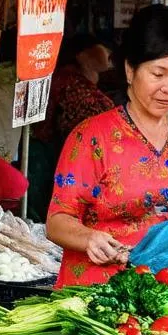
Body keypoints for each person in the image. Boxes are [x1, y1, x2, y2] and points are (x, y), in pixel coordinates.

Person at [46, 4, 168, 287]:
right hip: (102, 295)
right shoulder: (92, 136)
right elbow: (57, 221)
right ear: (130, 70)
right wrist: (89, 238)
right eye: (158, 74)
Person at [27, 35, 114, 221]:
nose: (108, 55)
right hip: (54, 154)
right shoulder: (71, 82)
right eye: (104, 49)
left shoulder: (81, 80)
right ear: (83, 55)